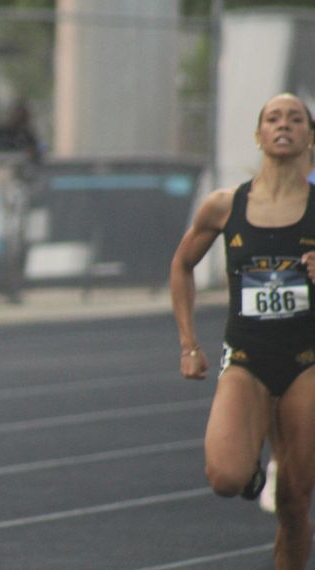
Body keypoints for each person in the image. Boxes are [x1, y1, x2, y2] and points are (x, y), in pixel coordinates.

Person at [170, 93, 315, 570]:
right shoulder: (224, 205)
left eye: (296, 119)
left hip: (307, 361)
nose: (284, 125)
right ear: (258, 134)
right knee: (225, 477)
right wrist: (189, 343)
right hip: (247, 358)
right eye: (273, 117)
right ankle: (255, 465)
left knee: (294, 504)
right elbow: (183, 265)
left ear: (310, 137)